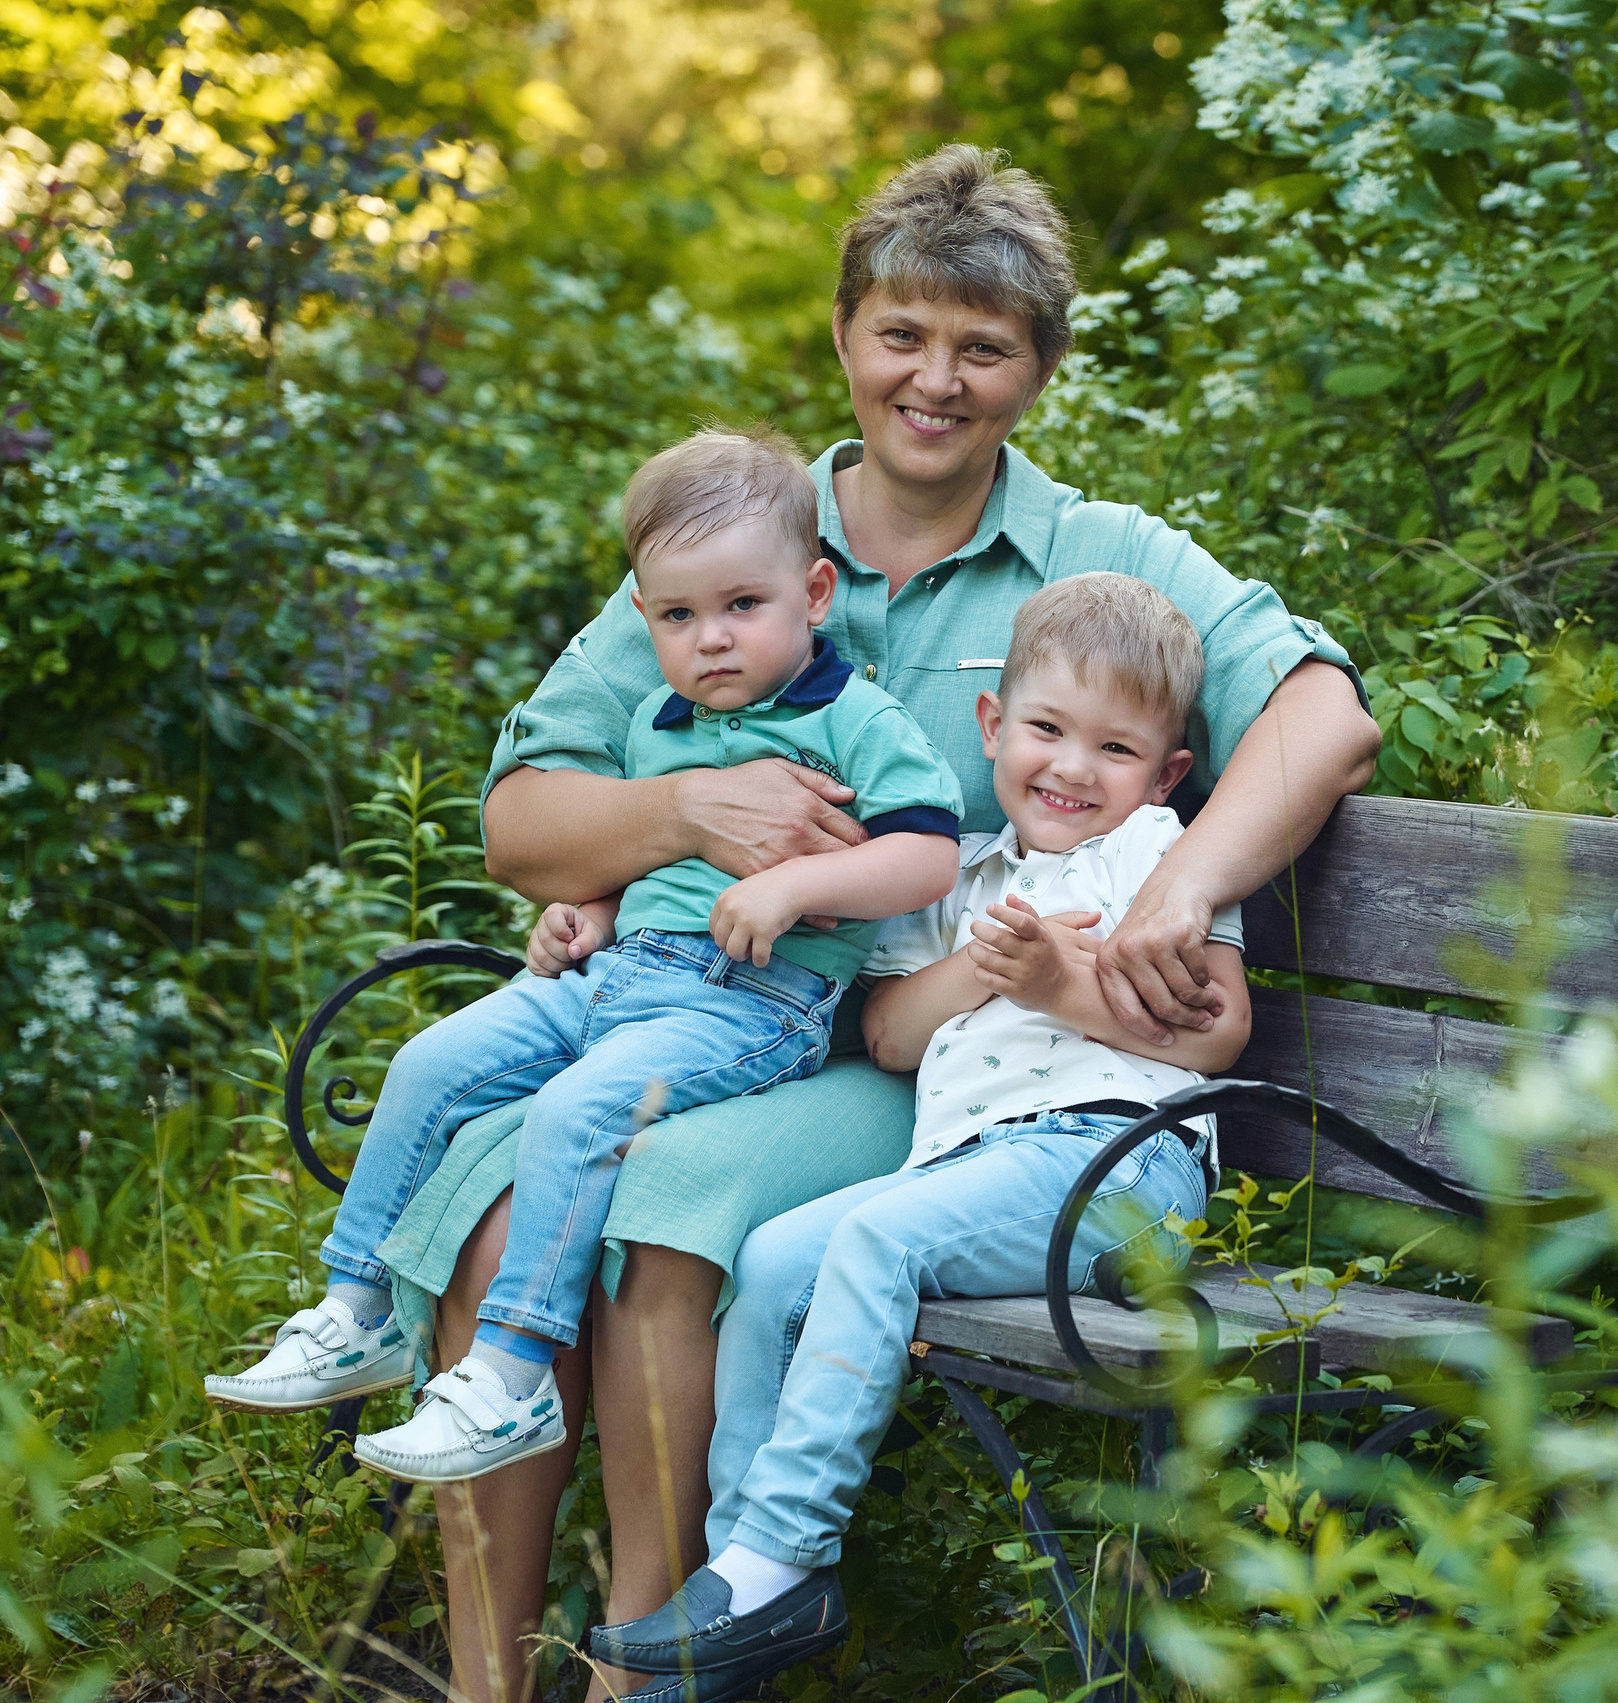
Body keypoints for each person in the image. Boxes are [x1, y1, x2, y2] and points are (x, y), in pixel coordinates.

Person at [379, 145, 1379, 1703]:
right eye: (901, 335)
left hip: (904, 1043)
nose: (935, 379)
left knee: (667, 1190)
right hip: (698, 1000)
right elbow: (521, 819)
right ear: (844, 334)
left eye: (984, 346)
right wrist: (679, 823)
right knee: (496, 1214)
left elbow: (1323, 714)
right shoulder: (749, 544)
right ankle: (487, 1677)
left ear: (1039, 367)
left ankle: (648, 1658)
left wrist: (1182, 885)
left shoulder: (1099, 558)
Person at [207, 427, 962, 1481]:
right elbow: (642, 856)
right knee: (429, 1062)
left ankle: (511, 1369)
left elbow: (927, 854)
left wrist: (796, 883)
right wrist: (592, 909)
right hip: (620, 976)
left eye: (743, 605)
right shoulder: (660, 719)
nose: (711, 640)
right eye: (678, 615)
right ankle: (357, 1304)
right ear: (644, 616)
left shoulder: (854, 717)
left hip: (753, 1001)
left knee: (577, 1112)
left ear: (816, 591)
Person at [589, 573, 1246, 1700]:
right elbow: (890, 1031)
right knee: (771, 1259)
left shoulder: (1154, 853)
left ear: (1165, 771)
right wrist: (984, 968)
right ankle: (738, 1581)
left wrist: (1051, 984)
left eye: (1114, 747)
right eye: (1045, 729)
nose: (1072, 768)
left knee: (878, 1238)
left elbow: (1218, 1029)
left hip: (1116, 1163)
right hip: (979, 1172)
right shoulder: (965, 874)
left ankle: (781, 1557)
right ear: (993, 726)